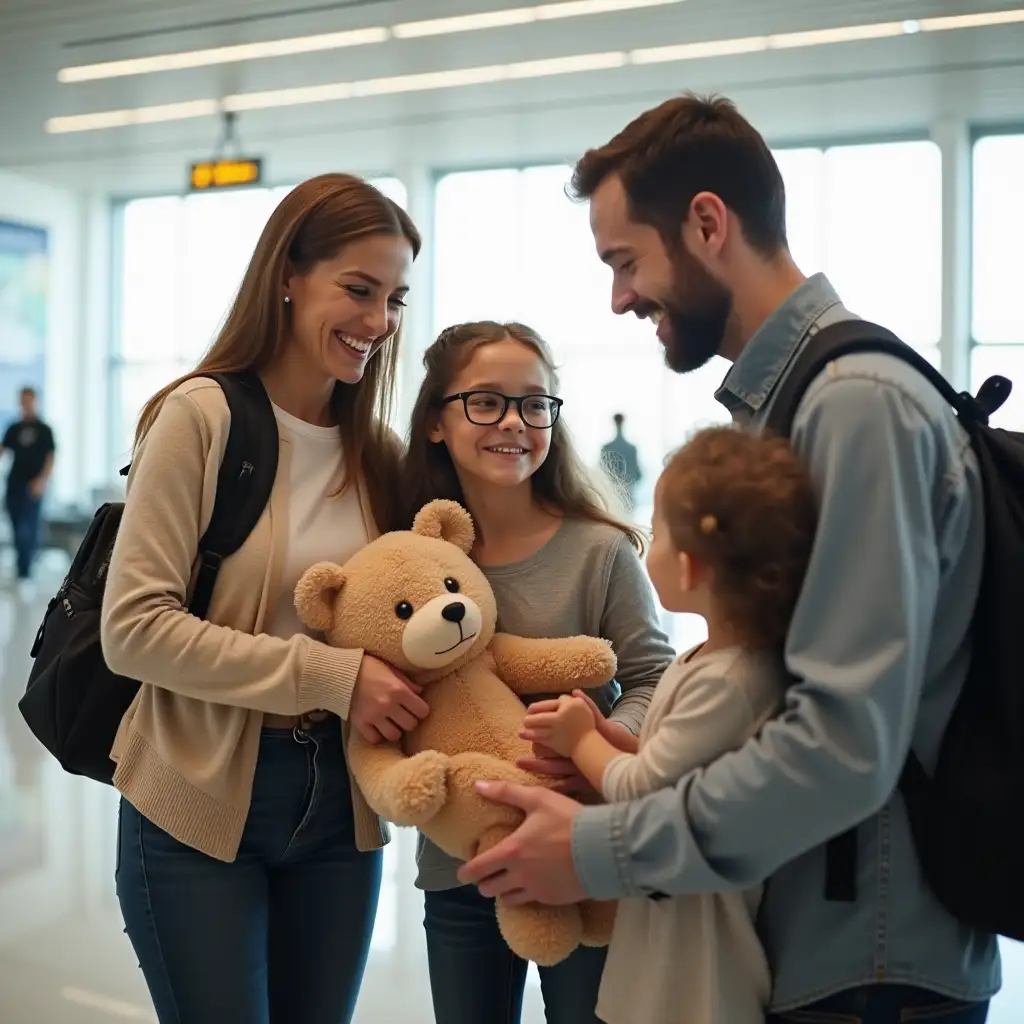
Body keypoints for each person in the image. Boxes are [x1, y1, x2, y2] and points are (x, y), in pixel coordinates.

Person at [457, 94, 999, 1023]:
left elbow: (842, 743)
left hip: (871, 964)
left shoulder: (854, 408)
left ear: (708, 223)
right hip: (817, 946)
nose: (620, 297)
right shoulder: (790, 407)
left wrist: (599, 845)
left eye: (626, 261)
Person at [100, 173, 424, 1024]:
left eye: (394, 298)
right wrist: (330, 676)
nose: (378, 322)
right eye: (357, 290)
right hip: (195, 798)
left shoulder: (377, 454)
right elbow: (133, 630)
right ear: (288, 274)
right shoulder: (200, 418)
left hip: (340, 811)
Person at [402, 319, 674, 1024]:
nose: (514, 423)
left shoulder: (601, 551)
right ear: (437, 420)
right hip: (461, 864)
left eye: (534, 403)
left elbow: (653, 676)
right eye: (486, 401)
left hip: (583, 850)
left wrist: (598, 746)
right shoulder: (411, 561)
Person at [522, 425, 817, 1024]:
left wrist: (583, 742)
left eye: (655, 533)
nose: (647, 545)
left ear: (689, 565)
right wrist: (620, 742)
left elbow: (645, 789)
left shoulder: (730, 679)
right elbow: (673, 764)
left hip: (693, 965)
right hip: (661, 921)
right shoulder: (703, 660)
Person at [1, 386, 55, 586]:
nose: (26, 404)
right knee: (15, 527)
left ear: (35, 401)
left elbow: (51, 458)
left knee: (29, 529)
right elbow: (3, 450)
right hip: (15, 483)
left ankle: (26, 573)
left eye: (29, 400)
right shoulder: (13, 428)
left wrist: (42, 481)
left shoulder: (44, 430)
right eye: (22, 400)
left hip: (34, 486)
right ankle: (20, 568)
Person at [599, 412, 641, 509]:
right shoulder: (631, 449)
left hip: (612, 495)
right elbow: (638, 475)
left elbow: (602, 472)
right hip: (628, 495)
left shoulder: (606, 448)